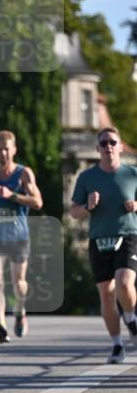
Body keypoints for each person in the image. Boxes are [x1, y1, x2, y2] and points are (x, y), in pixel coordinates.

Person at [69, 126, 137, 363]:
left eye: (112, 142)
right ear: (97, 149)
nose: (108, 146)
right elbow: (73, 212)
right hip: (99, 240)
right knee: (106, 296)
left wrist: (136, 206)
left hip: (128, 236)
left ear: (119, 146)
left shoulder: (132, 174)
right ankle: (117, 344)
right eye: (104, 143)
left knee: (124, 283)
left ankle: (131, 318)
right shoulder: (87, 178)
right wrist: (87, 206)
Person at [0, 130, 43, 343]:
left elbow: (38, 202)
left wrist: (12, 195)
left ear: (14, 150)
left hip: (18, 235)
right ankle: (1, 324)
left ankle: (20, 312)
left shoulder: (23, 174)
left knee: (19, 283)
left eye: (7, 149)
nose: (3, 153)